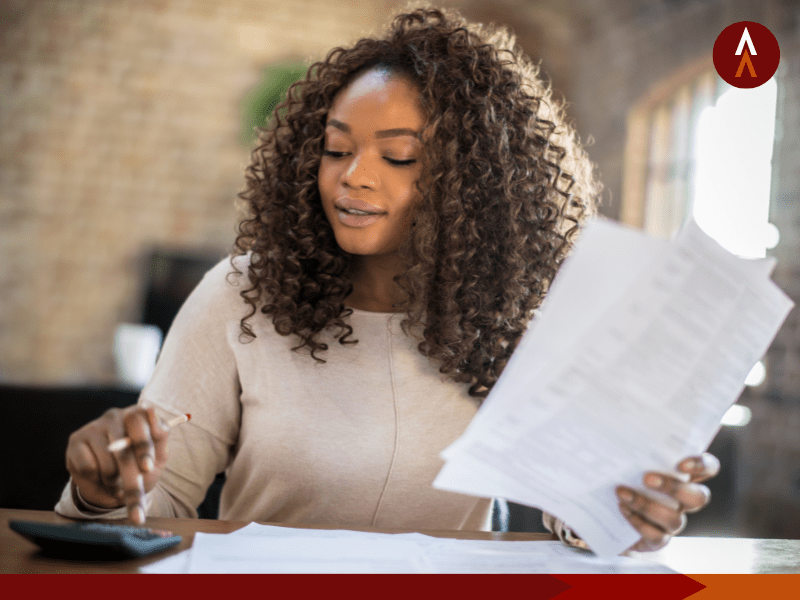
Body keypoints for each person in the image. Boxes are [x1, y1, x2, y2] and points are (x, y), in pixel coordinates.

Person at [57, 6, 717, 553]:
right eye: (337, 149)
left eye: (398, 157)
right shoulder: (240, 298)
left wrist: (628, 511)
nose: (353, 176)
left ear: (475, 184)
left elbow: (576, 509)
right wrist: (102, 490)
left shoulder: (516, 323)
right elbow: (154, 499)